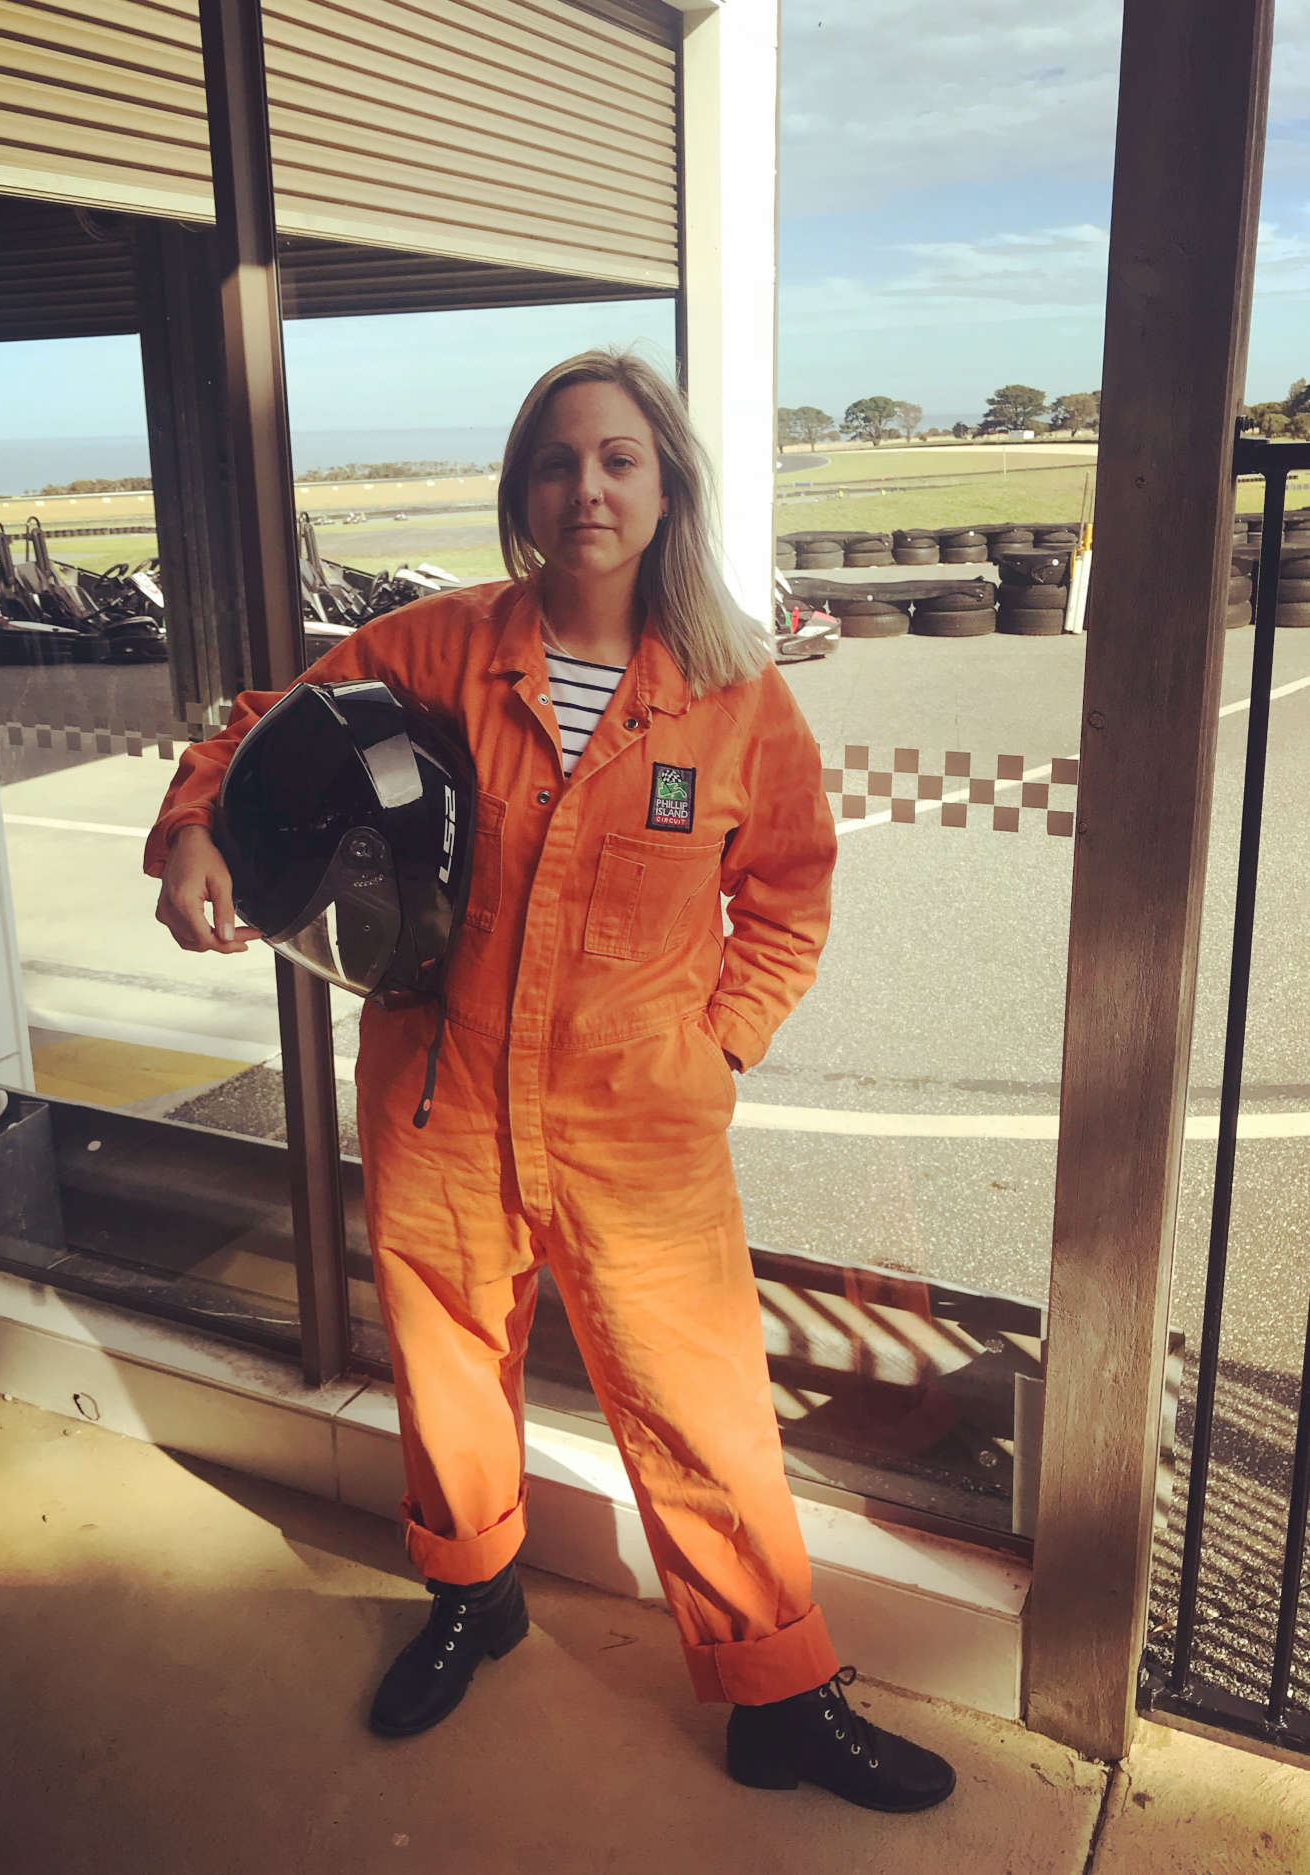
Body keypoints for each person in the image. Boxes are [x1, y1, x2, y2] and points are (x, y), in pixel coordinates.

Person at [144, 349, 955, 1813]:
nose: (588, 486)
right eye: (558, 460)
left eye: (620, 458)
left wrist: (715, 1047)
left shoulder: (735, 697)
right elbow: (264, 724)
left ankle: (778, 1692)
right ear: (523, 489)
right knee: (448, 1370)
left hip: (637, 1125)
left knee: (702, 1409)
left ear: (667, 487)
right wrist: (198, 825)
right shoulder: (442, 645)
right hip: (443, 1095)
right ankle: (474, 1593)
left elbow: (789, 897)